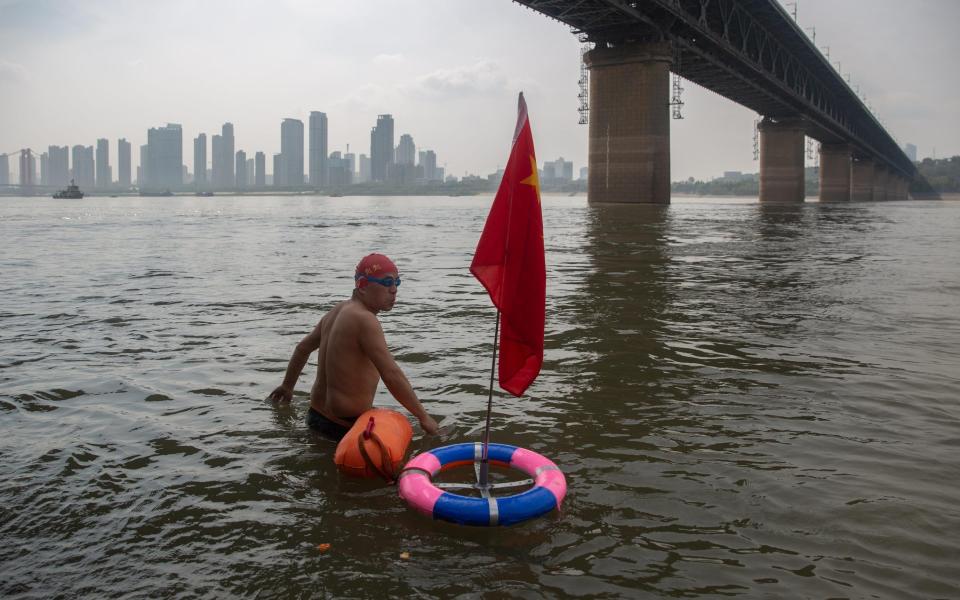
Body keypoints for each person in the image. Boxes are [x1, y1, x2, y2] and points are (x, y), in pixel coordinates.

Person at [268, 253, 439, 440]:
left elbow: (302, 348)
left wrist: (287, 386)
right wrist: (423, 417)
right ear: (362, 285)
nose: (393, 290)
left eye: (397, 283)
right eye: (387, 282)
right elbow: (391, 375)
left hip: (315, 416)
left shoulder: (337, 311)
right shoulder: (365, 319)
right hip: (344, 427)